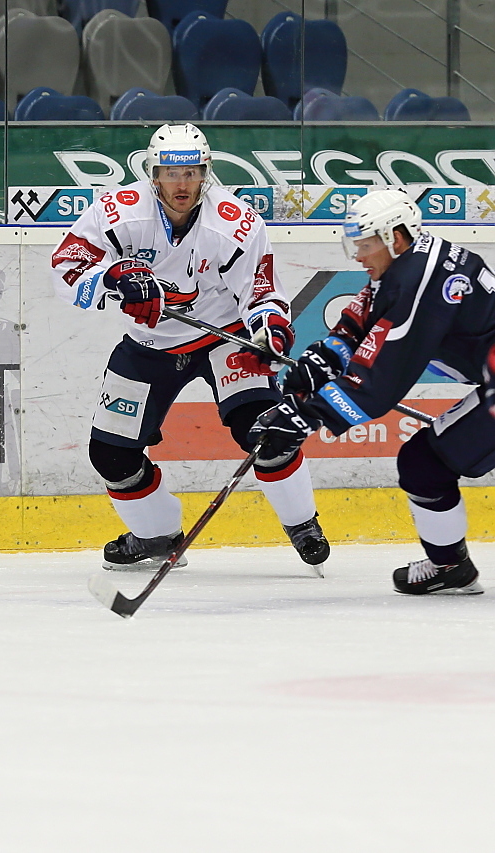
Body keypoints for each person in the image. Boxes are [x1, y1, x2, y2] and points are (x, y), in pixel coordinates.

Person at [51, 123, 328, 573]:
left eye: (192, 172)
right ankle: (158, 535)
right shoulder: (118, 213)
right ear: (153, 174)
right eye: (171, 173)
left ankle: (302, 524)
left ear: (205, 172)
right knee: (111, 456)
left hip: (224, 336)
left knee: (265, 432)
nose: (182, 184)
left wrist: (270, 330)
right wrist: (111, 278)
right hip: (150, 345)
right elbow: (67, 266)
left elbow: (261, 291)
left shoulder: (235, 223)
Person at [250, 188, 495, 595]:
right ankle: (449, 565)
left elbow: (378, 385)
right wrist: (320, 361)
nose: (358, 256)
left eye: (365, 245)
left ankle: (450, 566)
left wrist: (303, 416)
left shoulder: (418, 283)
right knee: (424, 463)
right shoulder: (411, 263)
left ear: (394, 237)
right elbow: (361, 322)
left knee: (425, 463)